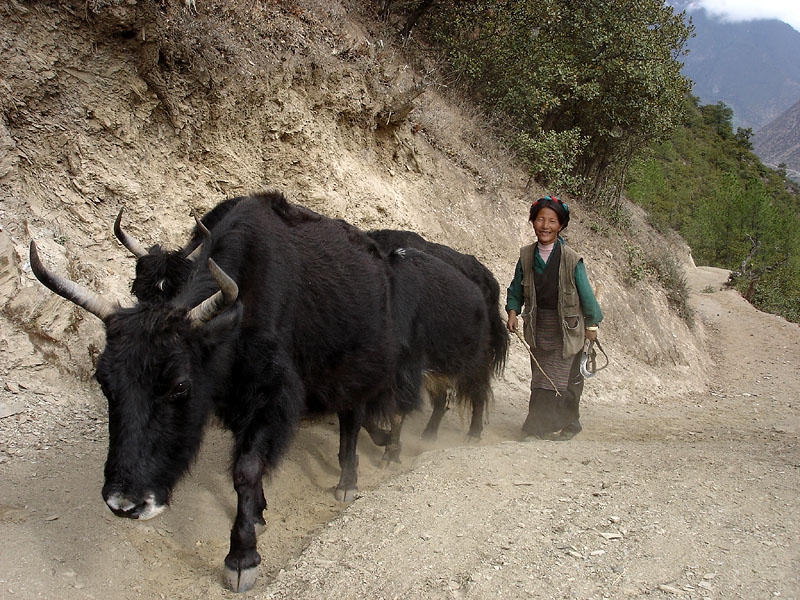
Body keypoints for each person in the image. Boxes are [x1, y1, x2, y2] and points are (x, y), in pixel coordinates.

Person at [505, 196, 603, 440]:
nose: (545, 226)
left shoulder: (572, 259)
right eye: (540, 219)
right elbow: (516, 288)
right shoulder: (527, 256)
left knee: (563, 378)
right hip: (539, 326)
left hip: (567, 328)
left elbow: (587, 296)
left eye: (552, 221)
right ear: (533, 222)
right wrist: (513, 312)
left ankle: (553, 426)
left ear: (561, 225)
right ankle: (551, 425)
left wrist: (592, 325)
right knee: (542, 376)